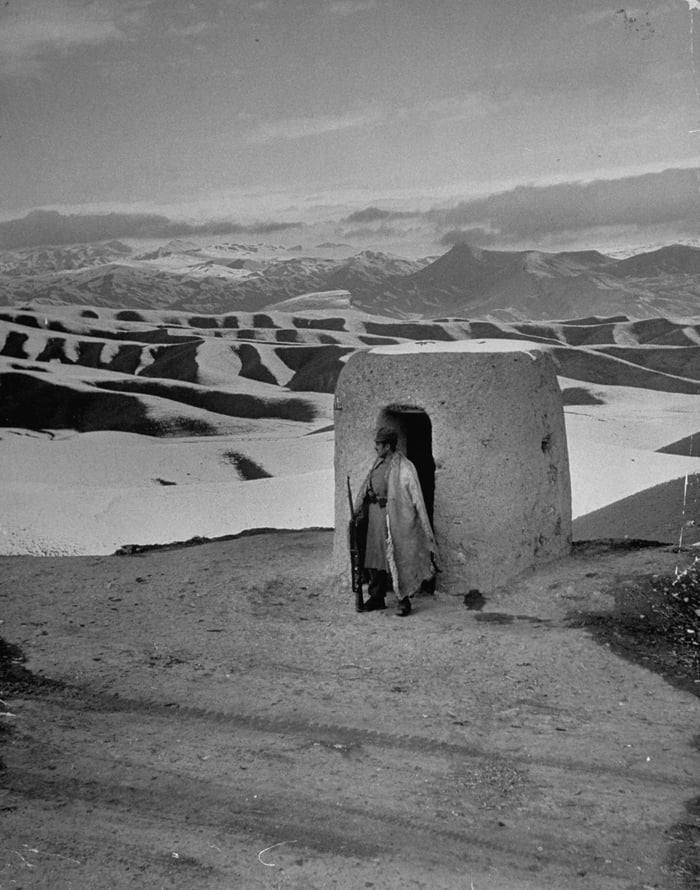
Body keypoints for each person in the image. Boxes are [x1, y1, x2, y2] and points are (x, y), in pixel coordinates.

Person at [354, 426, 439, 616]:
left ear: (388, 446)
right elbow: (367, 487)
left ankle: (404, 600)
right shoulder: (376, 464)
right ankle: (376, 598)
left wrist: (421, 525)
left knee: (399, 558)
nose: (375, 447)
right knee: (374, 558)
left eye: (379, 444)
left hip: (395, 519)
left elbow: (416, 497)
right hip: (376, 516)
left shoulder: (405, 467)